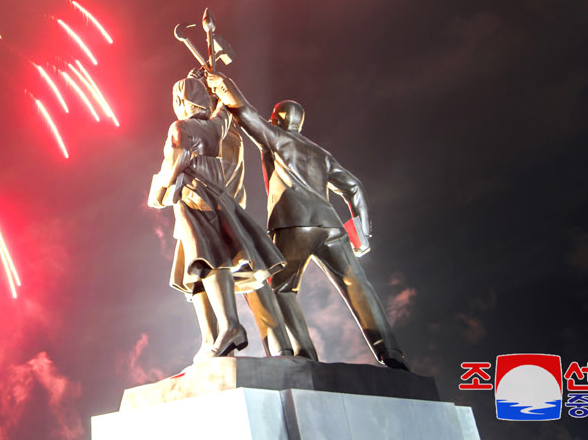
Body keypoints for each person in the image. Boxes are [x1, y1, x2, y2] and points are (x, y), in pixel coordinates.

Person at [203, 72, 410, 370]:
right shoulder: (320, 153)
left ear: (279, 119)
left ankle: (302, 355)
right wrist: (361, 231)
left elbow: (245, 112)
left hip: (294, 225)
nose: (270, 120)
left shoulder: (278, 139)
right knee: (358, 286)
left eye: (273, 116)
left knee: (275, 286)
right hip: (331, 226)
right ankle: (392, 354)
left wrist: (220, 85)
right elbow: (353, 186)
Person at [148, 72, 285, 362]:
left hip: (193, 200)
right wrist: (211, 85)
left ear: (180, 101)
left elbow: (175, 162)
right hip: (217, 200)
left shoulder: (180, 127)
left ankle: (229, 327)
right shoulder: (215, 127)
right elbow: (223, 110)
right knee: (196, 269)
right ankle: (213, 338)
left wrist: (158, 191)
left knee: (206, 261)